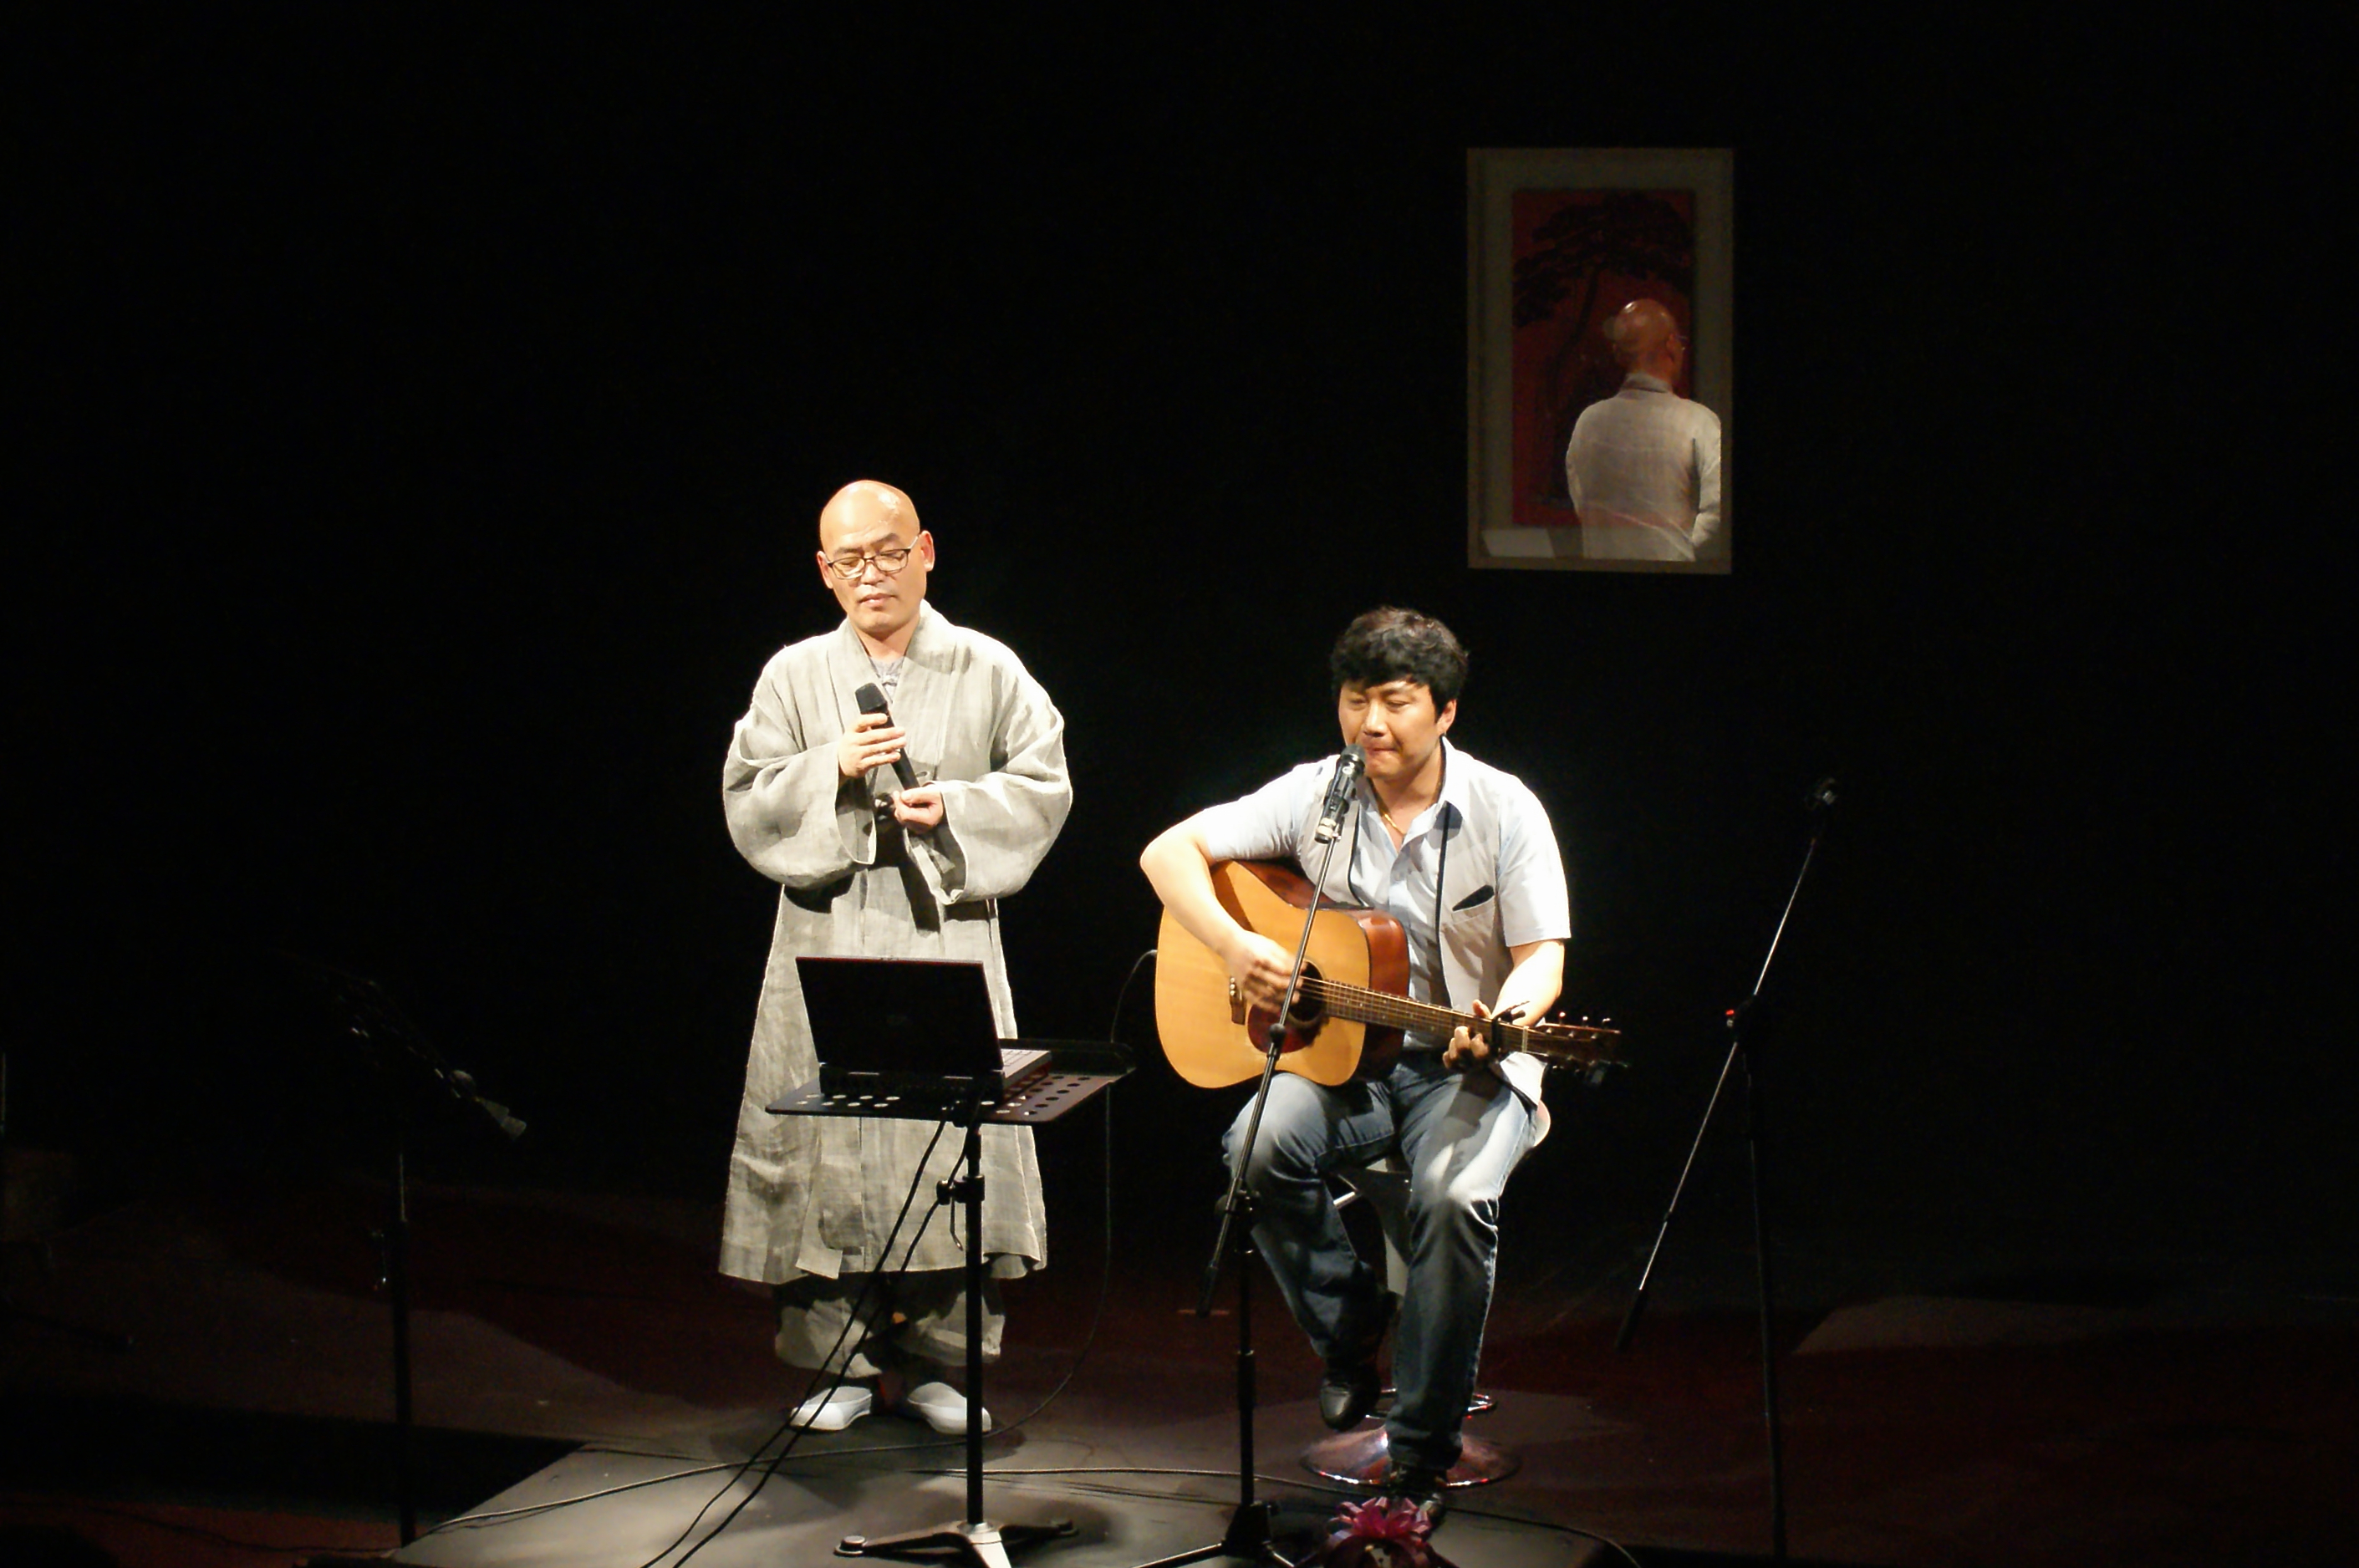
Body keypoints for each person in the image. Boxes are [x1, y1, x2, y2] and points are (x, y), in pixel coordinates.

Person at [1139, 608, 1569, 1520]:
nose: (1370, 724)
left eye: (1396, 702)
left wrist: (1506, 1020)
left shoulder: (1505, 808)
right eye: (1354, 700)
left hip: (1465, 1067)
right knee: (1254, 1148)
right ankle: (1349, 1329)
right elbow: (1166, 852)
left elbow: (1542, 959)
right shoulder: (1318, 794)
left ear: (1444, 712)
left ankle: (1418, 1457)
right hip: (1348, 1060)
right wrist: (1232, 945)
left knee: (1452, 1199)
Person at [721, 479, 1073, 1435]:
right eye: (848, 560)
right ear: (824, 571)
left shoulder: (987, 666)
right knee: (827, 1134)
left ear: (925, 551)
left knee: (945, 1132)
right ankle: (837, 1361)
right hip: (824, 923)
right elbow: (747, 791)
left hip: (940, 923)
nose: (869, 574)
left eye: (886, 552)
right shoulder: (794, 673)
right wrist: (829, 769)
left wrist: (953, 805)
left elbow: (1043, 783)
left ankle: (938, 1365)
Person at [1565, 298, 1724, 563]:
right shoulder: (1699, 421)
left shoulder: (1587, 422)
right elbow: (1720, 508)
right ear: (1671, 344)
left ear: (1618, 353)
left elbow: (1583, 505)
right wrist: (1677, 552)